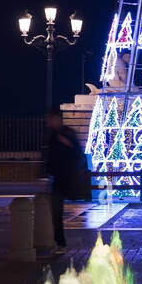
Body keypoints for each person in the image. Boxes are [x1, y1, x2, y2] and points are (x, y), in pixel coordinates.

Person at [44, 107, 83, 255]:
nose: (50, 122)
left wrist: (68, 143)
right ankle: (60, 243)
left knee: (58, 209)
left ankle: (65, 242)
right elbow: (48, 156)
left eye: (51, 119)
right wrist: (45, 173)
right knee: (56, 211)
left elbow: (78, 153)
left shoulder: (68, 133)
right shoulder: (51, 135)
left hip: (68, 177)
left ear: (58, 118)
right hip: (57, 179)